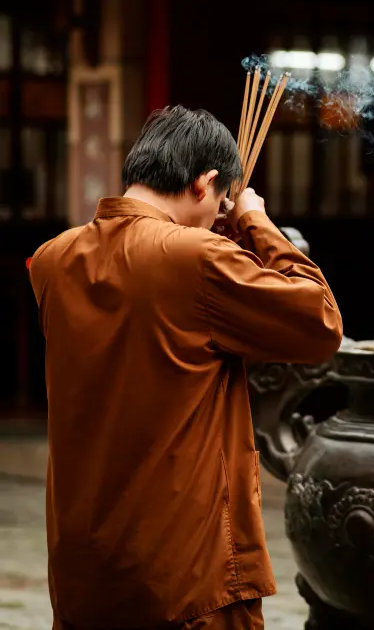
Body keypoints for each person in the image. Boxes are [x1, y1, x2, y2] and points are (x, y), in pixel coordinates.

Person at [28, 105, 343, 630]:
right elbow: (320, 322)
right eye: (221, 203)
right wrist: (254, 220)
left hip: (84, 570)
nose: (220, 218)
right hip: (188, 574)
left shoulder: (53, 260)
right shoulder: (193, 256)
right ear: (206, 182)